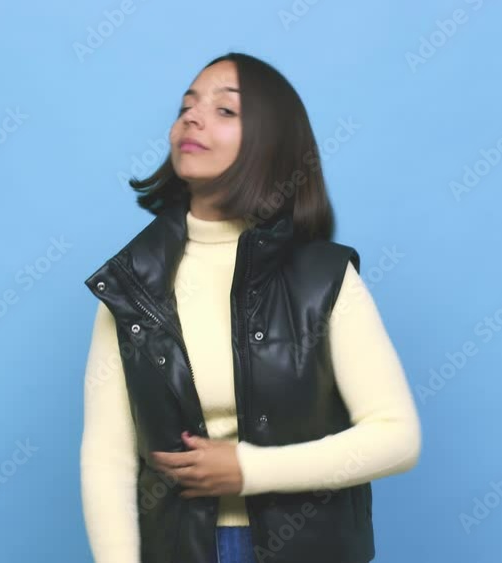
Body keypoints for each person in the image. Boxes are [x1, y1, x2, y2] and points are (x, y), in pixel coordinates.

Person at [80, 52, 421, 563]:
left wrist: (249, 470)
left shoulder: (324, 278)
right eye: (187, 107)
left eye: (225, 110)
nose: (193, 118)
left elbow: (396, 437)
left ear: (272, 141)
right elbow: (108, 458)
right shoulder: (131, 283)